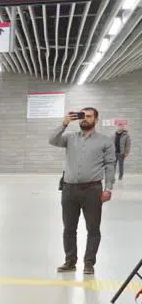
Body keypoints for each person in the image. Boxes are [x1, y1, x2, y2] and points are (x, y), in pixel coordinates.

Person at [51, 107, 116, 276]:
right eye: (82, 116)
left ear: (96, 119)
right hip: (69, 189)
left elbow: (110, 165)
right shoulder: (70, 138)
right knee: (69, 228)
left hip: (92, 190)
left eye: (88, 116)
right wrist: (64, 124)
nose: (84, 119)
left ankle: (89, 263)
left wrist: (108, 188)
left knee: (93, 229)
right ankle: (70, 261)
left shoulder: (105, 141)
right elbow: (52, 140)